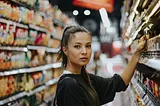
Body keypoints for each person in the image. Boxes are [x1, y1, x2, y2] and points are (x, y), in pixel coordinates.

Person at [53, 25, 147, 106]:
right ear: (65, 50)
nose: (84, 52)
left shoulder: (86, 78)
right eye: (77, 46)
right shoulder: (68, 85)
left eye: (88, 46)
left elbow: (118, 83)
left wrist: (137, 53)